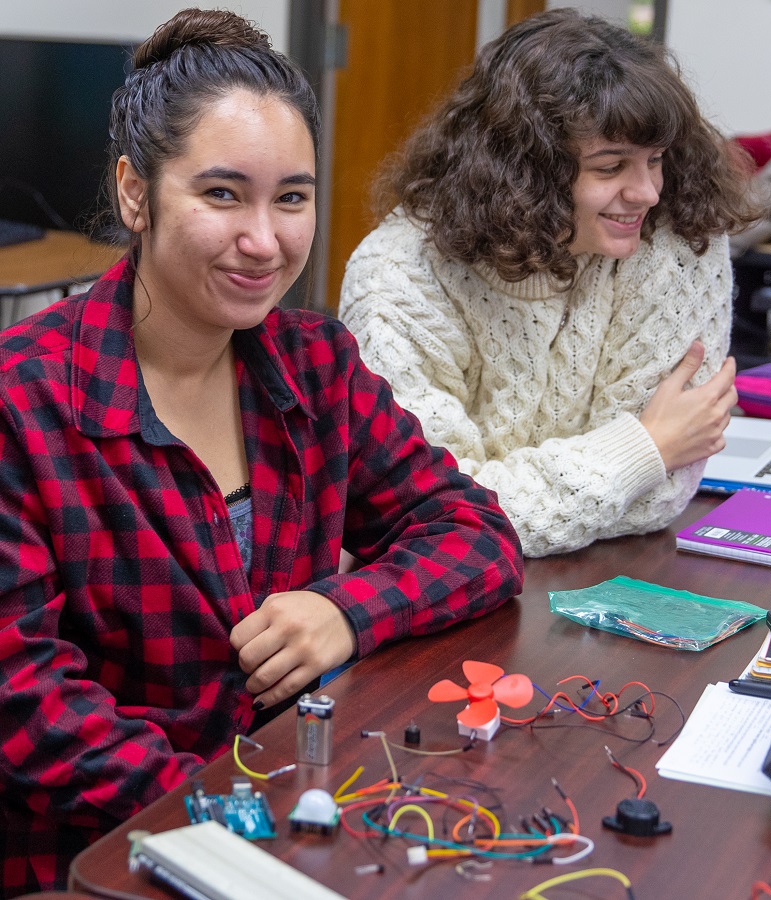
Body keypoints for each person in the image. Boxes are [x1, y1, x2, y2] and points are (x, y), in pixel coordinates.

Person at [0, 9, 522, 895]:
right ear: (136, 193)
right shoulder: (25, 400)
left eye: (291, 197)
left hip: (291, 814)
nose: (265, 240)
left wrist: (349, 609)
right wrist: (220, 810)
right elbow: (23, 697)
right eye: (221, 194)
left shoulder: (315, 366)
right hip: (95, 856)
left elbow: (476, 535)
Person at [340, 9, 758, 558]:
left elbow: (665, 494)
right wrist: (643, 448)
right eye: (611, 168)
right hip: (443, 596)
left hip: (612, 575)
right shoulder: (397, 275)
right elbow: (426, 518)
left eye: (654, 160)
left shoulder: (678, 235)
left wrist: (510, 498)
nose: (648, 192)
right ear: (523, 172)